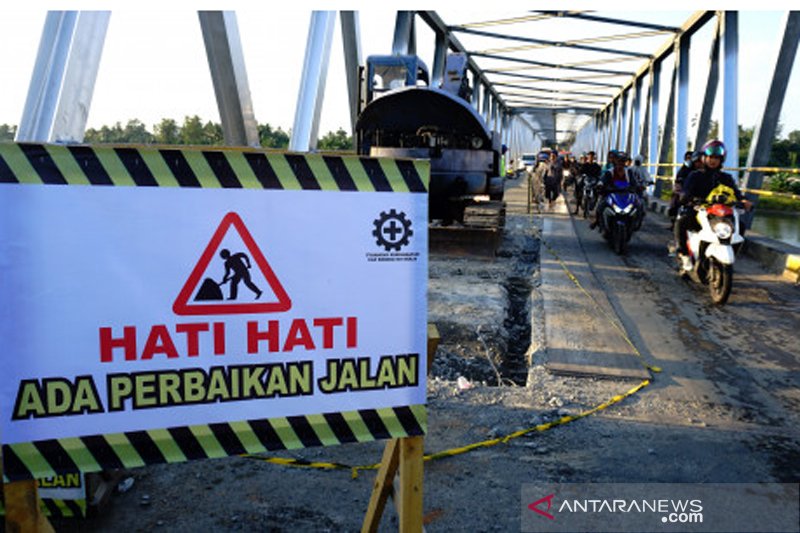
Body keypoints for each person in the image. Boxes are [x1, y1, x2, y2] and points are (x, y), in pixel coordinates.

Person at [673, 140, 752, 271]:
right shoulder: (695, 175)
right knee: (681, 222)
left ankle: (730, 256)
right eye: (710, 157)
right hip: (700, 211)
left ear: (721, 160)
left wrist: (744, 201)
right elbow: (686, 191)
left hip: (720, 214)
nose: (713, 161)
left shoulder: (726, 178)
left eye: (716, 158)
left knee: (741, 227)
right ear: (704, 158)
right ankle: (683, 254)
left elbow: (736, 193)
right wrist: (686, 197)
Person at [590, 151, 634, 230]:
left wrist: (639, 186)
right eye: (619, 161)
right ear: (615, 161)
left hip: (625, 194)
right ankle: (598, 221)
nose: (621, 163)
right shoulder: (609, 172)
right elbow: (603, 180)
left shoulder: (629, 172)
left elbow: (634, 182)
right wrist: (600, 184)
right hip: (611, 194)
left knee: (637, 205)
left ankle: (634, 224)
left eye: (623, 161)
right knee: (601, 206)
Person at [668, 150, 703, 229]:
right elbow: (679, 180)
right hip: (687, 194)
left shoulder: (709, 173)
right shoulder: (688, 171)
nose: (699, 164)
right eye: (697, 161)